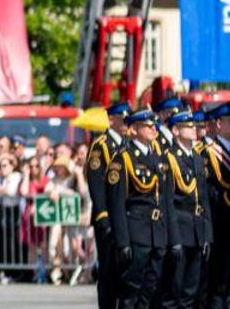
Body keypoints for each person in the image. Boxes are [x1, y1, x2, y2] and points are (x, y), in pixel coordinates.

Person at [106, 109, 172, 309]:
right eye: (148, 125)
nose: (154, 129)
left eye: (154, 125)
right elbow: (116, 204)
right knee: (130, 292)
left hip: (157, 234)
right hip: (136, 233)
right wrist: (122, 241)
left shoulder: (158, 158)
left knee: (150, 291)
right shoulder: (123, 159)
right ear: (133, 129)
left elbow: (164, 200)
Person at [159, 110, 211, 309]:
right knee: (173, 292)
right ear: (175, 130)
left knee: (191, 292)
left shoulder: (197, 158)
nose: (194, 129)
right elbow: (168, 202)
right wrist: (174, 239)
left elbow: (203, 200)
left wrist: (207, 235)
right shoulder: (169, 159)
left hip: (197, 231)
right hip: (180, 230)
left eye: (194, 126)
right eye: (188, 126)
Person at [199, 102, 230, 309]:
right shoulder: (208, 153)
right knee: (218, 285)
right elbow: (209, 191)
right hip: (220, 225)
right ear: (218, 124)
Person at [87, 102, 132, 309]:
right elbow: (96, 183)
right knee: (108, 273)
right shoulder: (101, 145)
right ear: (111, 120)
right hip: (107, 220)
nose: (126, 124)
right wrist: (103, 216)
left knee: (124, 272)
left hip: (124, 217)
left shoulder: (127, 144)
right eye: (123, 120)